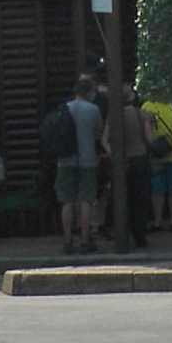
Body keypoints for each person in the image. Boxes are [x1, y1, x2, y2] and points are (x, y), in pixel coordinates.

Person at [54, 75, 103, 254]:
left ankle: (67, 241)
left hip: (65, 160)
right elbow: (98, 133)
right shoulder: (94, 109)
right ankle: (84, 240)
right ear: (89, 92)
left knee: (66, 201)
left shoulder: (64, 108)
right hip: (88, 159)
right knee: (86, 201)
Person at [110, 81, 154, 247]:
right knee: (140, 199)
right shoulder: (142, 114)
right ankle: (140, 236)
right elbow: (149, 139)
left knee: (123, 198)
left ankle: (122, 233)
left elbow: (105, 139)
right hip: (140, 158)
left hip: (122, 160)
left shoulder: (114, 116)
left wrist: (114, 154)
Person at [140, 95, 172, 233]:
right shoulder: (147, 106)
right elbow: (145, 128)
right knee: (157, 190)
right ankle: (158, 221)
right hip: (156, 156)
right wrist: (153, 146)